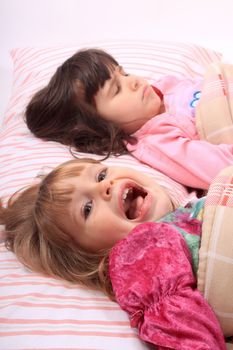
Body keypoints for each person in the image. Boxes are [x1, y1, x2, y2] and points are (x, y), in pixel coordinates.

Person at [0, 158, 227, 349]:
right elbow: (185, 333)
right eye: (86, 209)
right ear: (91, 256)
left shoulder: (188, 208)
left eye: (100, 174)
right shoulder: (143, 256)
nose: (105, 186)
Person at [25, 48, 233, 190]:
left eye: (124, 74)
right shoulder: (158, 140)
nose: (132, 81)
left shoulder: (167, 85)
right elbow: (221, 169)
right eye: (116, 89)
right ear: (101, 128)